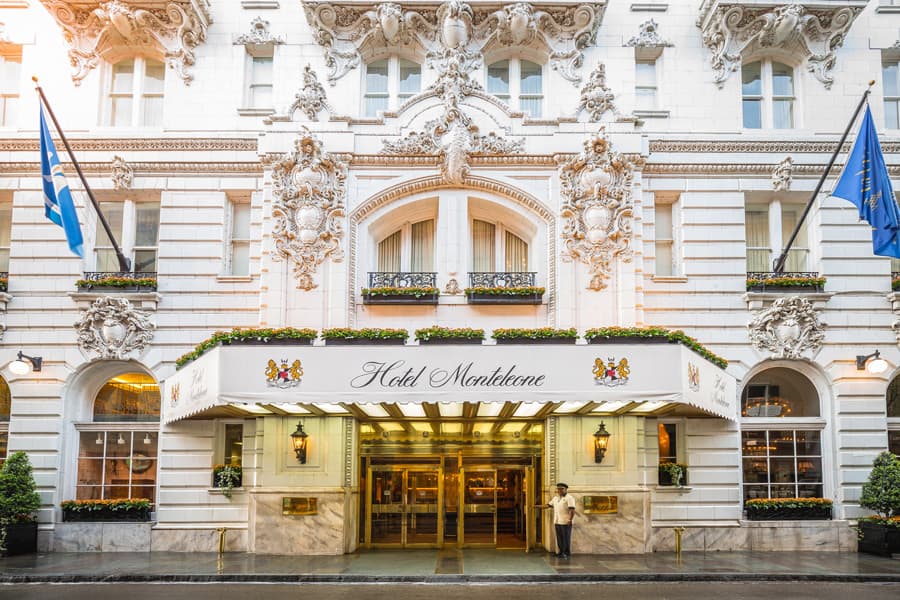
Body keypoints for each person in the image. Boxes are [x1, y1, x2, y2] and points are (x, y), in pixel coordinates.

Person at [536, 482, 576, 558]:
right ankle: (560, 552)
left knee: (566, 538)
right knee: (559, 537)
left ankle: (566, 553)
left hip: (565, 521)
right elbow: (548, 505)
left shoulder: (569, 498)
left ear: (566, 489)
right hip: (557, 521)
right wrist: (536, 506)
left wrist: (570, 520)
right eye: (558, 489)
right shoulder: (555, 498)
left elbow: (572, 510)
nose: (560, 490)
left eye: (562, 489)